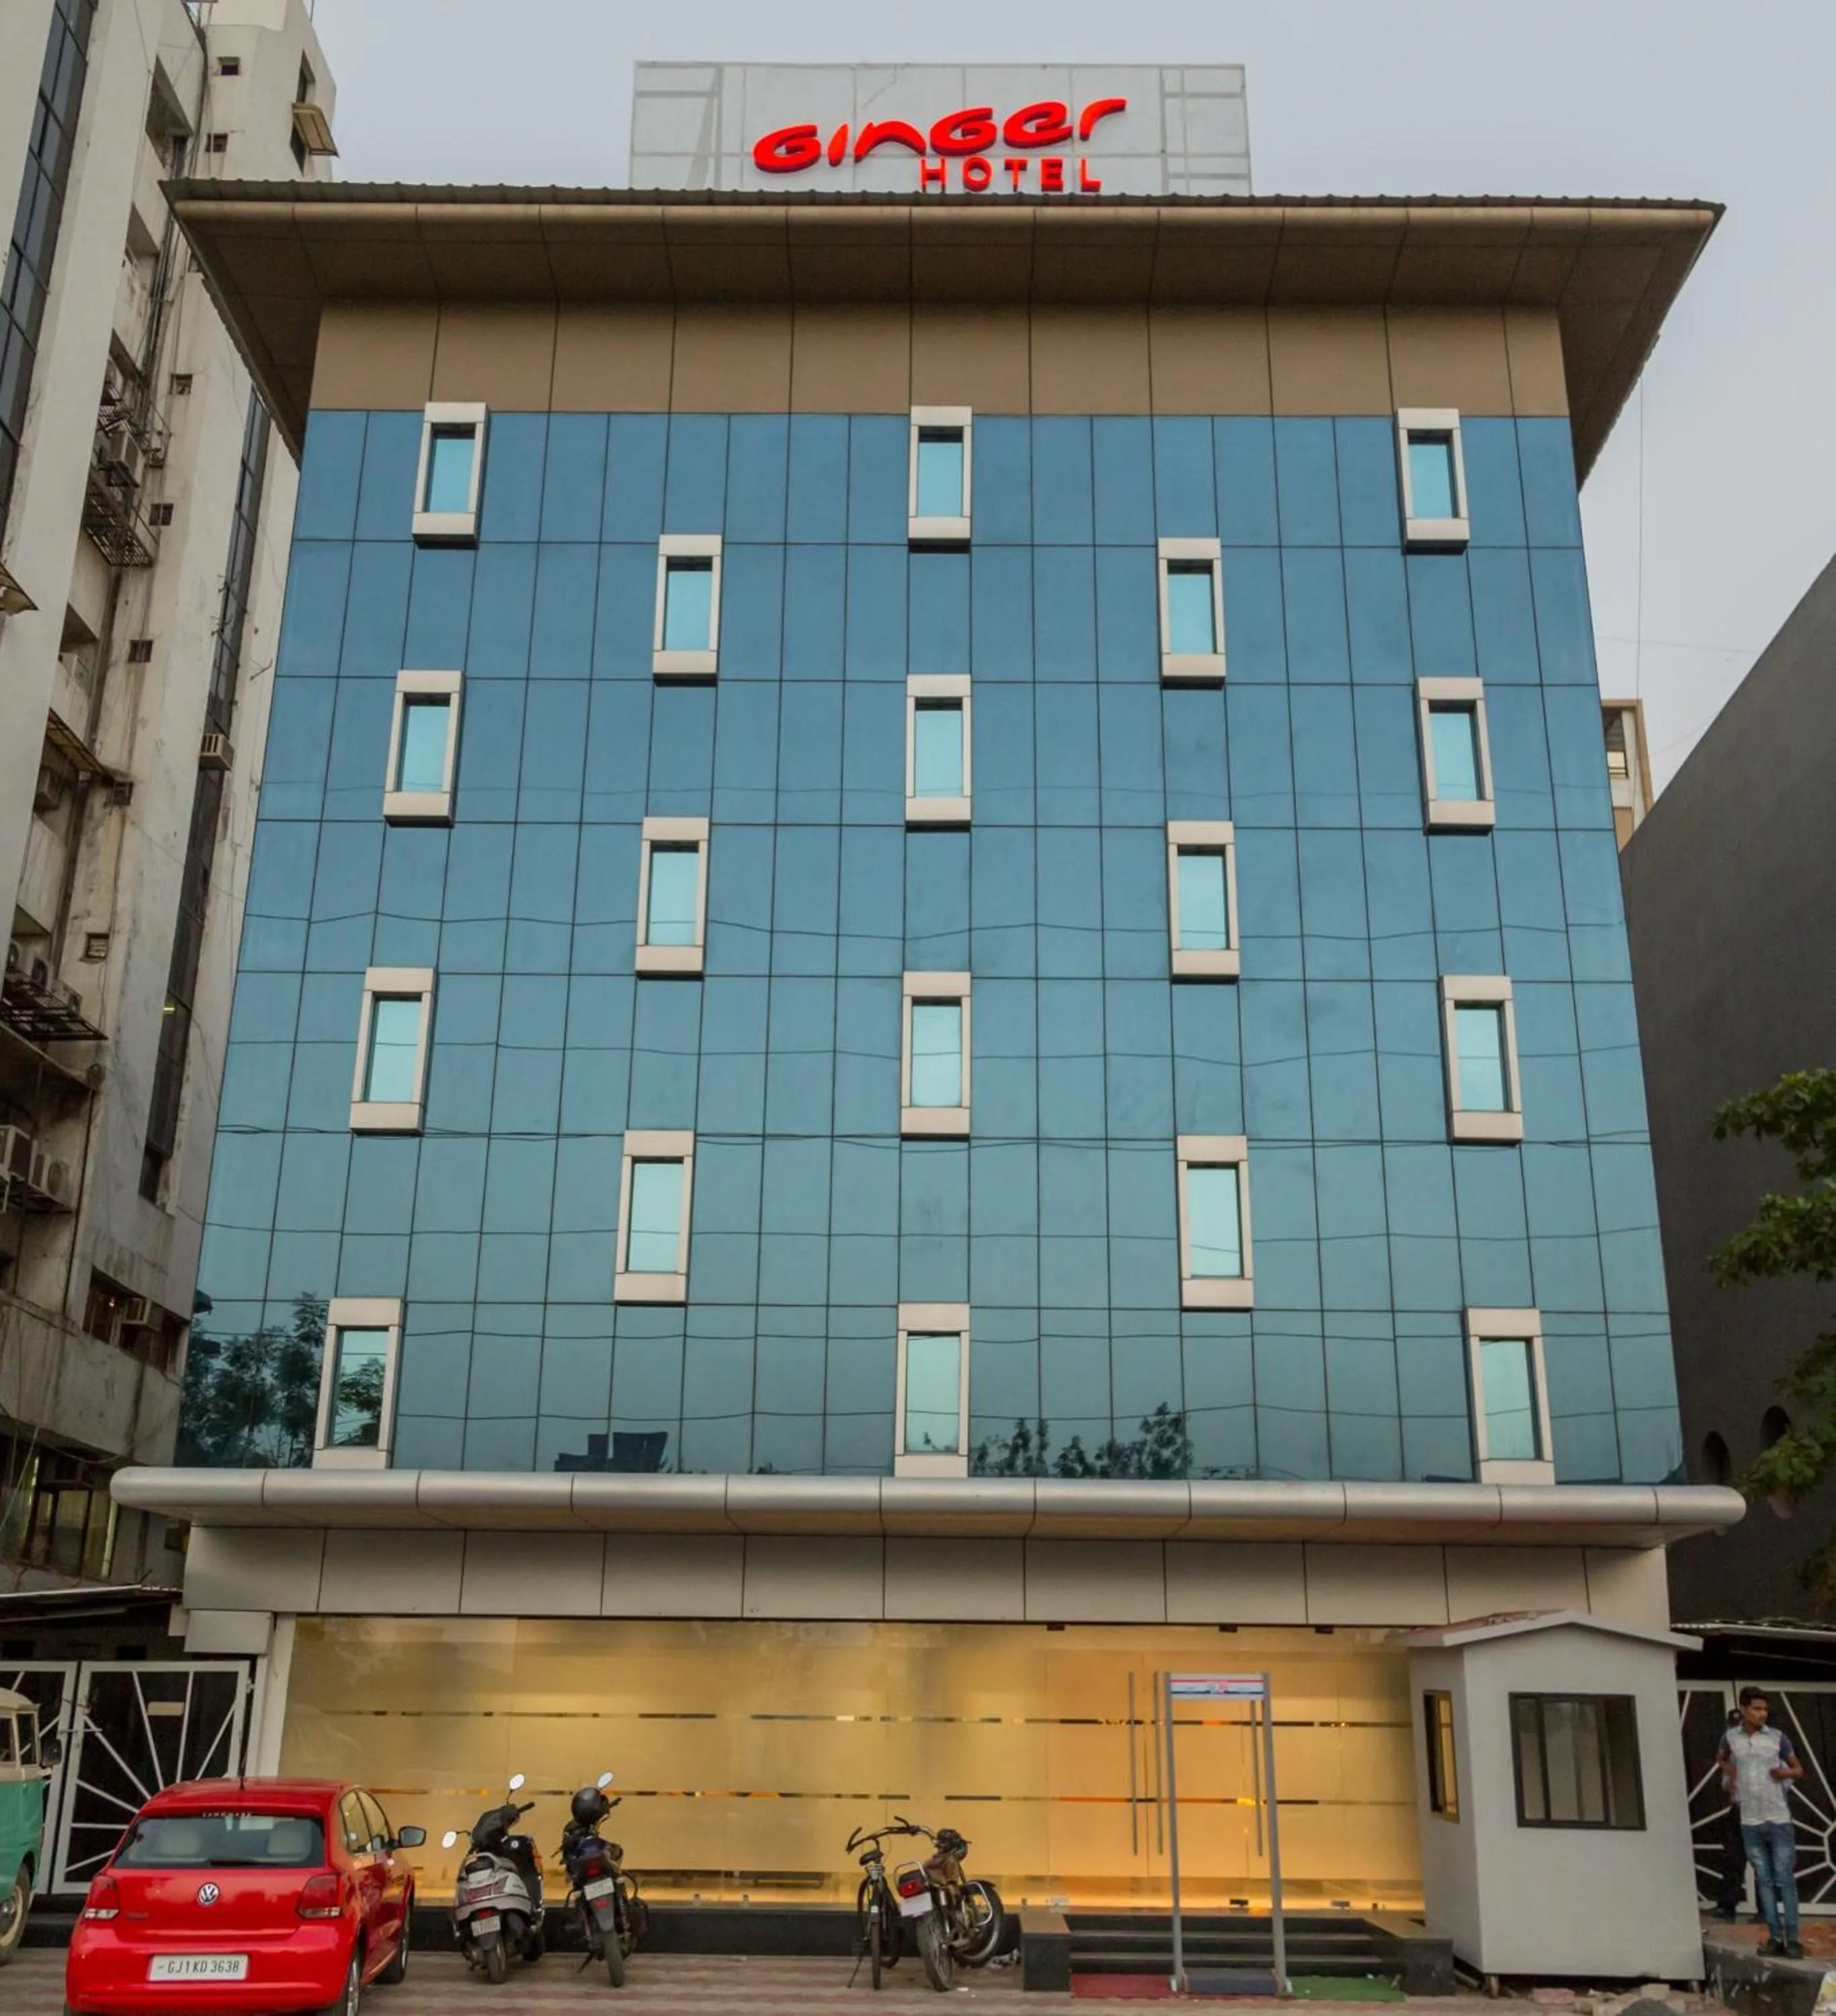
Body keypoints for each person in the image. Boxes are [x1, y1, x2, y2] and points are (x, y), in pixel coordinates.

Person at [1718, 1687, 1804, 1958]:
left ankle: (1793, 1939)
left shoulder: (1777, 1738)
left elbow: (1798, 1769)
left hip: (1777, 1817)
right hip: (1749, 1818)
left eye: (1764, 1709)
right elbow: (1721, 1760)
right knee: (1764, 1879)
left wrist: (1785, 1774)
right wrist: (1734, 1778)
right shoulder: (1731, 1738)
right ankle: (1774, 1937)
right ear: (1744, 1710)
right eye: (1756, 1709)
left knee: (1784, 1878)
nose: (1761, 1714)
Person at [1709, 1707, 1746, 1922]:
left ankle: (1771, 1906)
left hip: (1762, 1809)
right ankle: (1728, 1904)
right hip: (1739, 1808)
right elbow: (1726, 1783)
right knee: (1733, 1857)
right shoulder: (1731, 1756)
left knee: (1767, 1859)